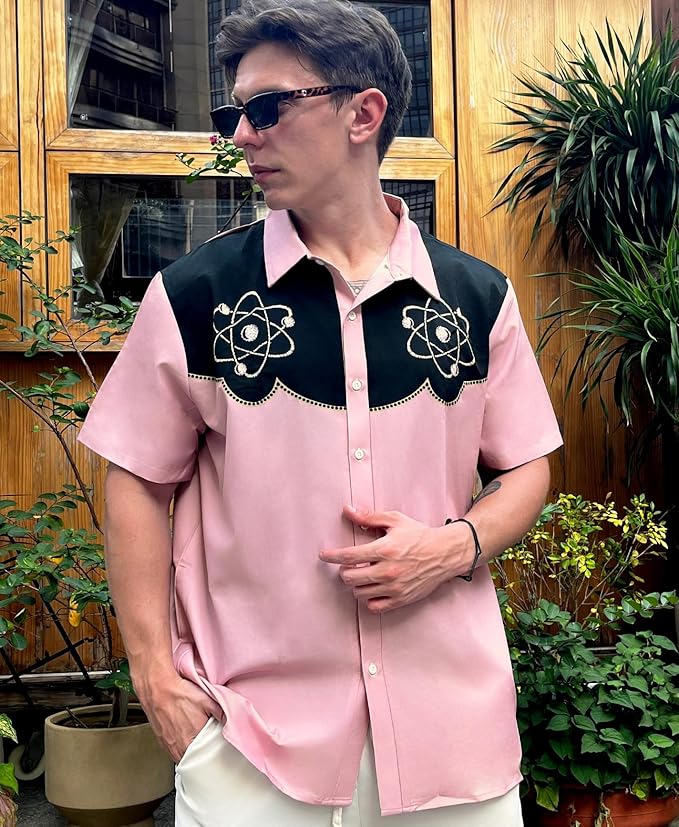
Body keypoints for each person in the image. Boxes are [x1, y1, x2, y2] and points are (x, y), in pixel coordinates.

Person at [78, 1, 563, 824]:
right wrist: (155, 677)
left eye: (267, 108)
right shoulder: (195, 296)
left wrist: (454, 546)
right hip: (254, 748)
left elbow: (526, 465)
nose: (242, 135)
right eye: (234, 113)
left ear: (362, 113)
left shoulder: (474, 299)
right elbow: (135, 480)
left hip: (452, 736)